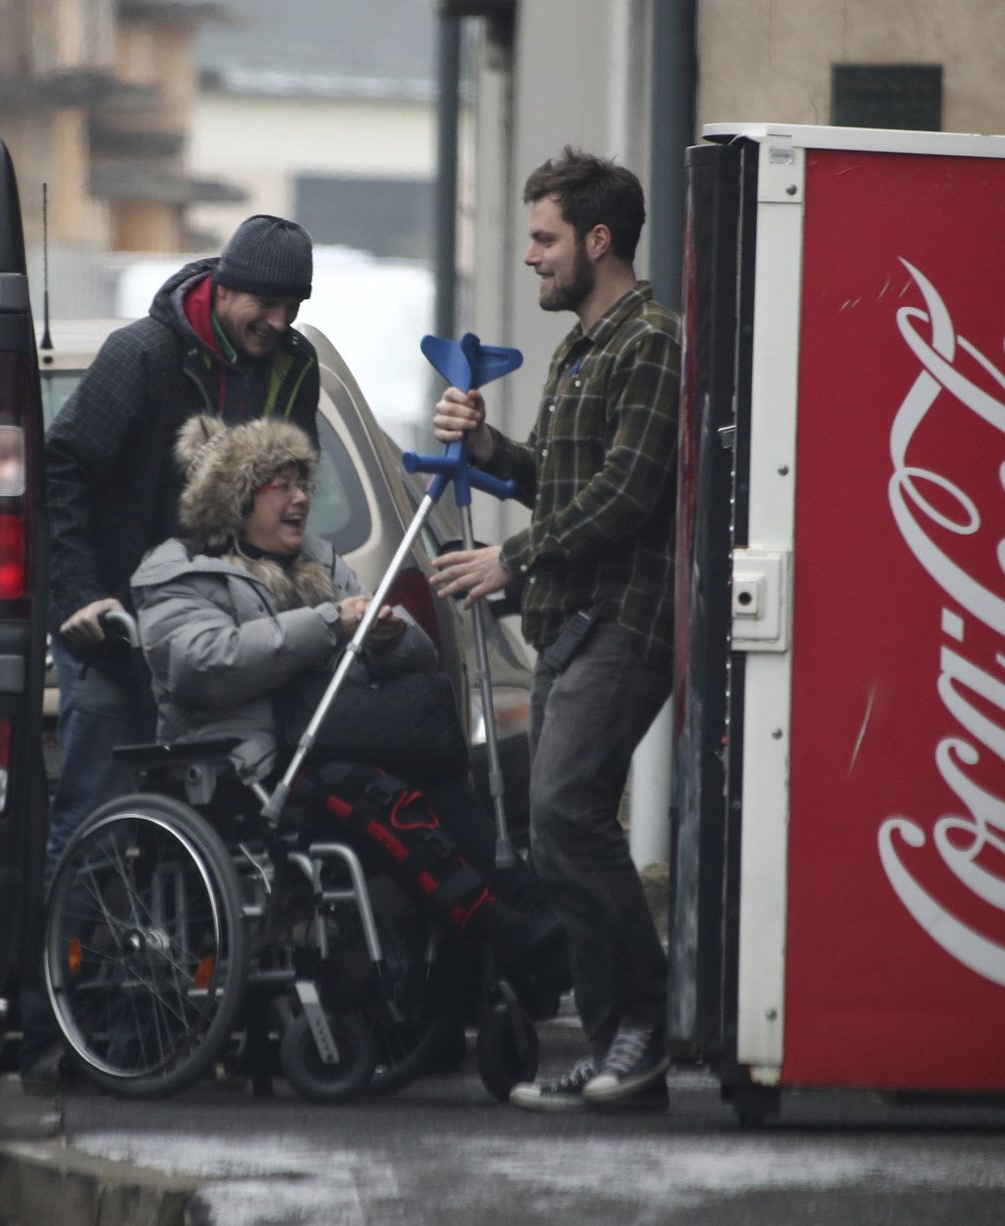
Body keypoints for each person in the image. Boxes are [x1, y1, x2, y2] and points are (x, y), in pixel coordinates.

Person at [23, 215, 320, 1077]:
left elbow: (287, 486)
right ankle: (53, 1033)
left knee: (218, 829)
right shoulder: (144, 358)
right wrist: (79, 597)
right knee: (94, 819)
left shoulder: (292, 366)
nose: (278, 321)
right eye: (266, 302)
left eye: (293, 305)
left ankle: (180, 1022)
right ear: (223, 288)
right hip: (116, 628)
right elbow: (64, 467)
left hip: (214, 628)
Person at [129, 414, 562, 976]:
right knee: (374, 793)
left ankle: (532, 917)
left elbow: (419, 650)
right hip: (248, 767)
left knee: (443, 784)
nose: (300, 498)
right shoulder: (180, 573)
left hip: (329, 743)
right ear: (233, 498)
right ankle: (495, 927)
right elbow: (207, 663)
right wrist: (329, 621)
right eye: (279, 485)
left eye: (303, 483)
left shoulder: (322, 561)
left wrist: (389, 637)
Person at [429, 147, 681, 1112]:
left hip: (625, 620)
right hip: (576, 624)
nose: (531, 256)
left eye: (545, 238)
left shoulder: (649, 340)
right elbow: (570, 483)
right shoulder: (583, 346)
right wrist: (492, 449)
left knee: (565, 816)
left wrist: (513, 558)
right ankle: (623, 1047)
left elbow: (628, 494)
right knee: (561, 827)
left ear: (598, 240)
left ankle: (643, 1027)